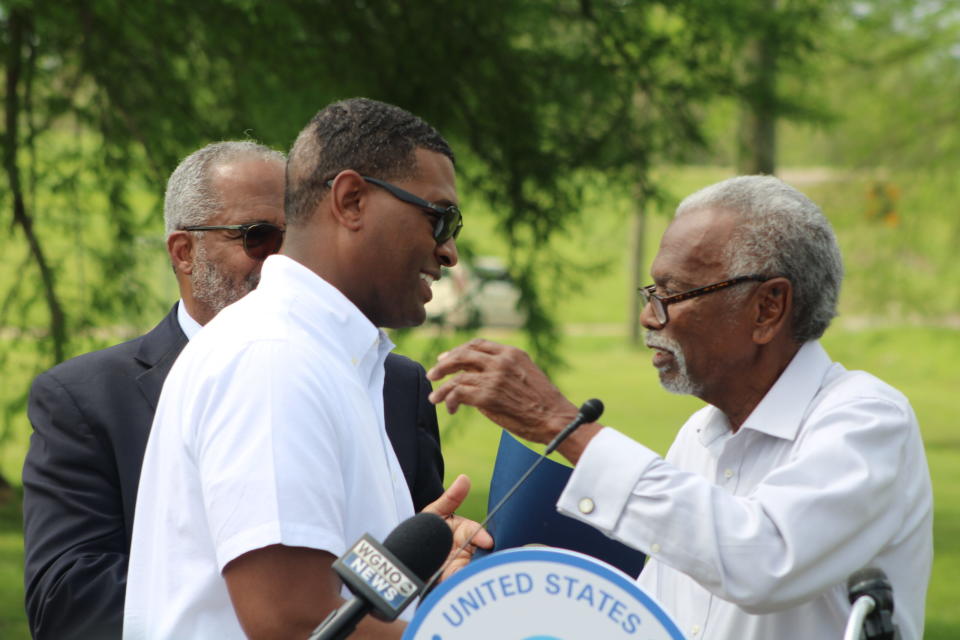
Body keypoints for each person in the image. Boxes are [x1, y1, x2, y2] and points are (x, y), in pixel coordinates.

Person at [427, 175, 933, 640]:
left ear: (768, 308)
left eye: (672, 293)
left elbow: (763, 560)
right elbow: (650, 621)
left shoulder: (866, 420)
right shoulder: (699, 434)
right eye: (652, 291)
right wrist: (497, 585)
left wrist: (564, 427)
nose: (649, 317)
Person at [22, 140, 447, 640]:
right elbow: (68, 598)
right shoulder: (85, 398)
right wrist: (240, 585)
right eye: (259, 237)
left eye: (295, 238)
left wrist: (437, 562)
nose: (283, 260)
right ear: (184, 253)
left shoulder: (393, 381)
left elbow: (389, 571)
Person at [124, 99, 491, 639]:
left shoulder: (330, 359)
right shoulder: (273, 359)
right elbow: (291, 623)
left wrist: (416, 574)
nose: (449, 250)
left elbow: (330, 599)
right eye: (438, 217)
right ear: (351, 200)